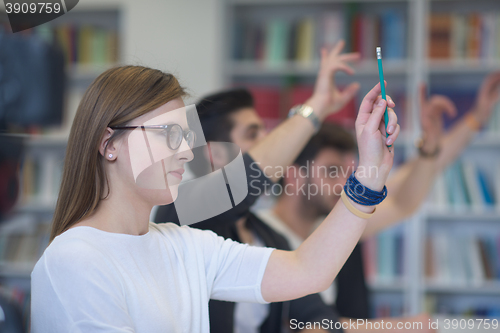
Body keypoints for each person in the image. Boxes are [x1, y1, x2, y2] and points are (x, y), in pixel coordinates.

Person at [30, 59, 400, 331]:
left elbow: (307, 270)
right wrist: (316, 107)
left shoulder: (187, 245)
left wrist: (369, 174)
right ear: (108, 143)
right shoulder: (76, 260)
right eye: (168, 135)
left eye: (185, 137)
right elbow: (248, 176)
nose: (187, 153)